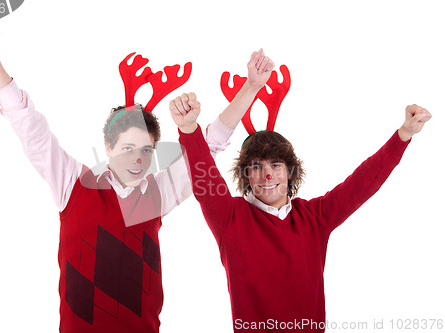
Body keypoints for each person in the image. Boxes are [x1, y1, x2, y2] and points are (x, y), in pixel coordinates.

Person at [0, 12, 275, 332]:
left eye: (146, 150)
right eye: (127, 148)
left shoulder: (157, 194)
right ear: (107, 148)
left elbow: (209, 145)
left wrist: (250, 87)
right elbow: (28, 124)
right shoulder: (73, 184)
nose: (137, 159)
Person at [170, 55, 432, 332]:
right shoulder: (231, 218)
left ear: (290, 171)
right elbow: (204, 177)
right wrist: (188, 129)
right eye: (256, 166)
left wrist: (403, 135)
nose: (268, 175)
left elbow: (363, 183)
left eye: (276, 165)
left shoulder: (315, 218)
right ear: (245, 175)